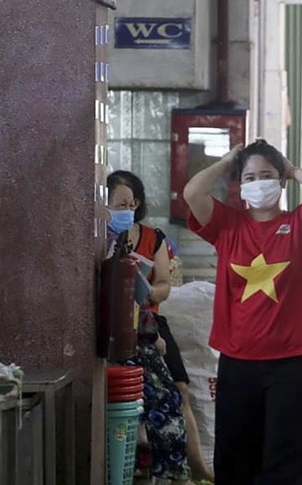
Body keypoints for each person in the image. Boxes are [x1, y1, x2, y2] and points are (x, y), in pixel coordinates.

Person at [183, 139, 302, 484]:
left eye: (267, 175)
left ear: (281, 181)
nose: (258, 183)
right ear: (239, 186)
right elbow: (192, 192)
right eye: (249, 177)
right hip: (239, 360)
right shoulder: (227, 225)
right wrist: (227, 162)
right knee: (234, 457)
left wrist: (291, 169)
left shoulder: (300, 225)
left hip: (293, 362)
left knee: (283, 457)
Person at [106, 171, 193, 484]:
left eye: (132, 204)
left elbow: (164, 285)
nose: (127, 210)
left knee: (177, 390)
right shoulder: (97, 238)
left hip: (148, 322)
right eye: (120, 204)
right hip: (118, 330)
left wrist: (144, 293)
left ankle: (185, 469)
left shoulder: (152, 237)